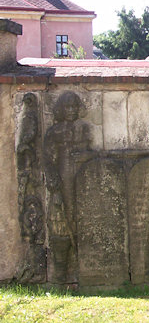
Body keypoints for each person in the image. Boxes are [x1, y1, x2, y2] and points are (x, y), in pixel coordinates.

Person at [43, 91, 91, 283]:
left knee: (80, 220)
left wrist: (86, 155)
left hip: (81, 182)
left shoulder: (83, 128)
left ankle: (83, 268)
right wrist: (54, 183)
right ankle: (61, 273)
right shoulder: (54, 132)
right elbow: (47, 160)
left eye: (74, 106)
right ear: (60, 109)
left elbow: (90, 153)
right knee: (60, 223)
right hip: (62, 181)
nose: (71, 110)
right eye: (67, 107)